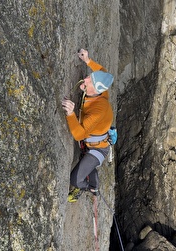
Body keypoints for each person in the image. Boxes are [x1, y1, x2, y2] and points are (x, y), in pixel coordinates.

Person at [61, 49, 114, 202]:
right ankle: (91, 176)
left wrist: (71, 114)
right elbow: (103, 72)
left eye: (89, 82)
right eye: (88, 77)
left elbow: (79, 134)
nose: (85, 80)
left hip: (98, 149)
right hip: (92, 144)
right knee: (86, 165)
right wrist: (88, 60)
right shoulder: (101, 90)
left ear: (96, 90)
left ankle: (89, 188)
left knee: (75, 180)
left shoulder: (98, 111)